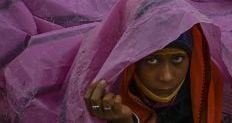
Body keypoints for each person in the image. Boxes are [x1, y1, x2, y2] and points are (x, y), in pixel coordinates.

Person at [84, 25, 223, 123]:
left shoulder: (204, 92)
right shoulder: (107, 95)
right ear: (131, 65)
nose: (167, 77)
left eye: (178, 59)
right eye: (152, 60)